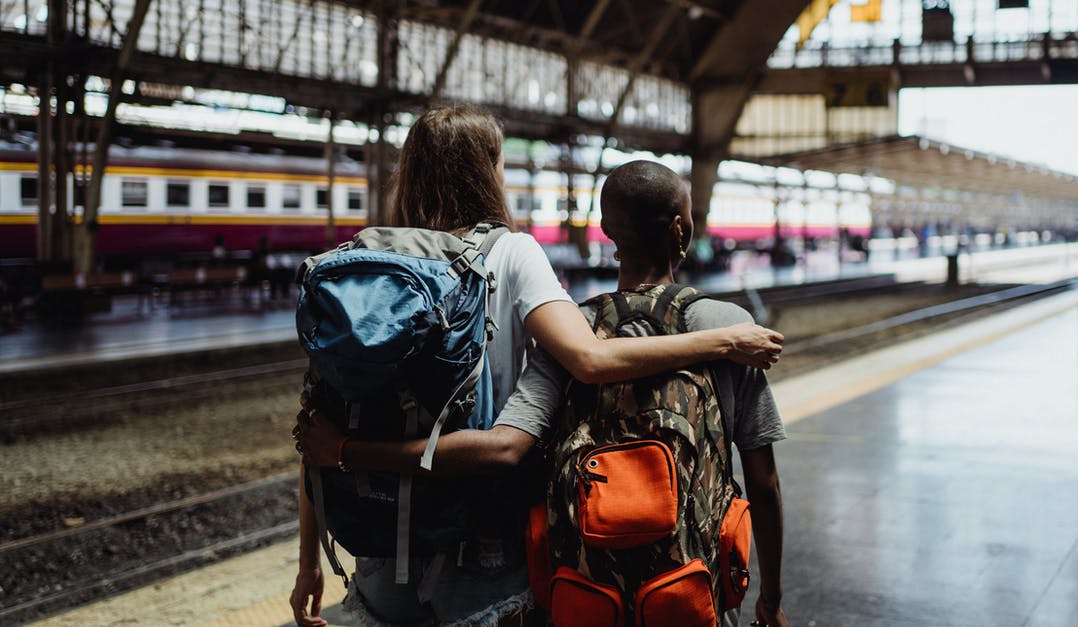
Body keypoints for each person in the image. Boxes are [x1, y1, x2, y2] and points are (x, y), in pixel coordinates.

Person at [289, 109, 784, 627]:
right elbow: (588, 361)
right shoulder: (511, 253)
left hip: (381, 549)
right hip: (484, 558)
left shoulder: (361, 264)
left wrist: (309, 562)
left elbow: (318, 426)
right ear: (486, 171)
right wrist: (725, 340)